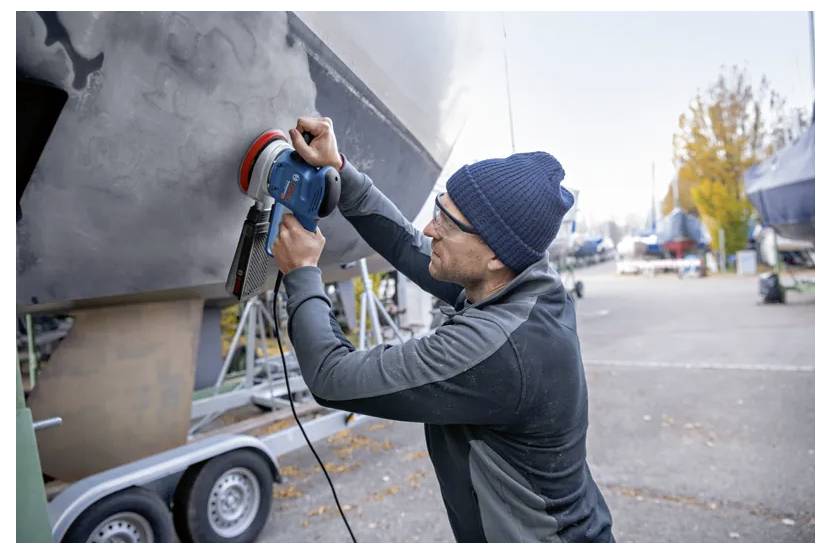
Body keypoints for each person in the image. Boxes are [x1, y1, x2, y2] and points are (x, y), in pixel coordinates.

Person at [274, 116, 614, 542]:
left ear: (495, 255)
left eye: (448, 225)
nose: (431, 228)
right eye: (439, 209)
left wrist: (302, 272)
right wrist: (340, 169)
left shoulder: (497, 350)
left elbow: (331, 377)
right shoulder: (516, 283)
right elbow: (405, 244)